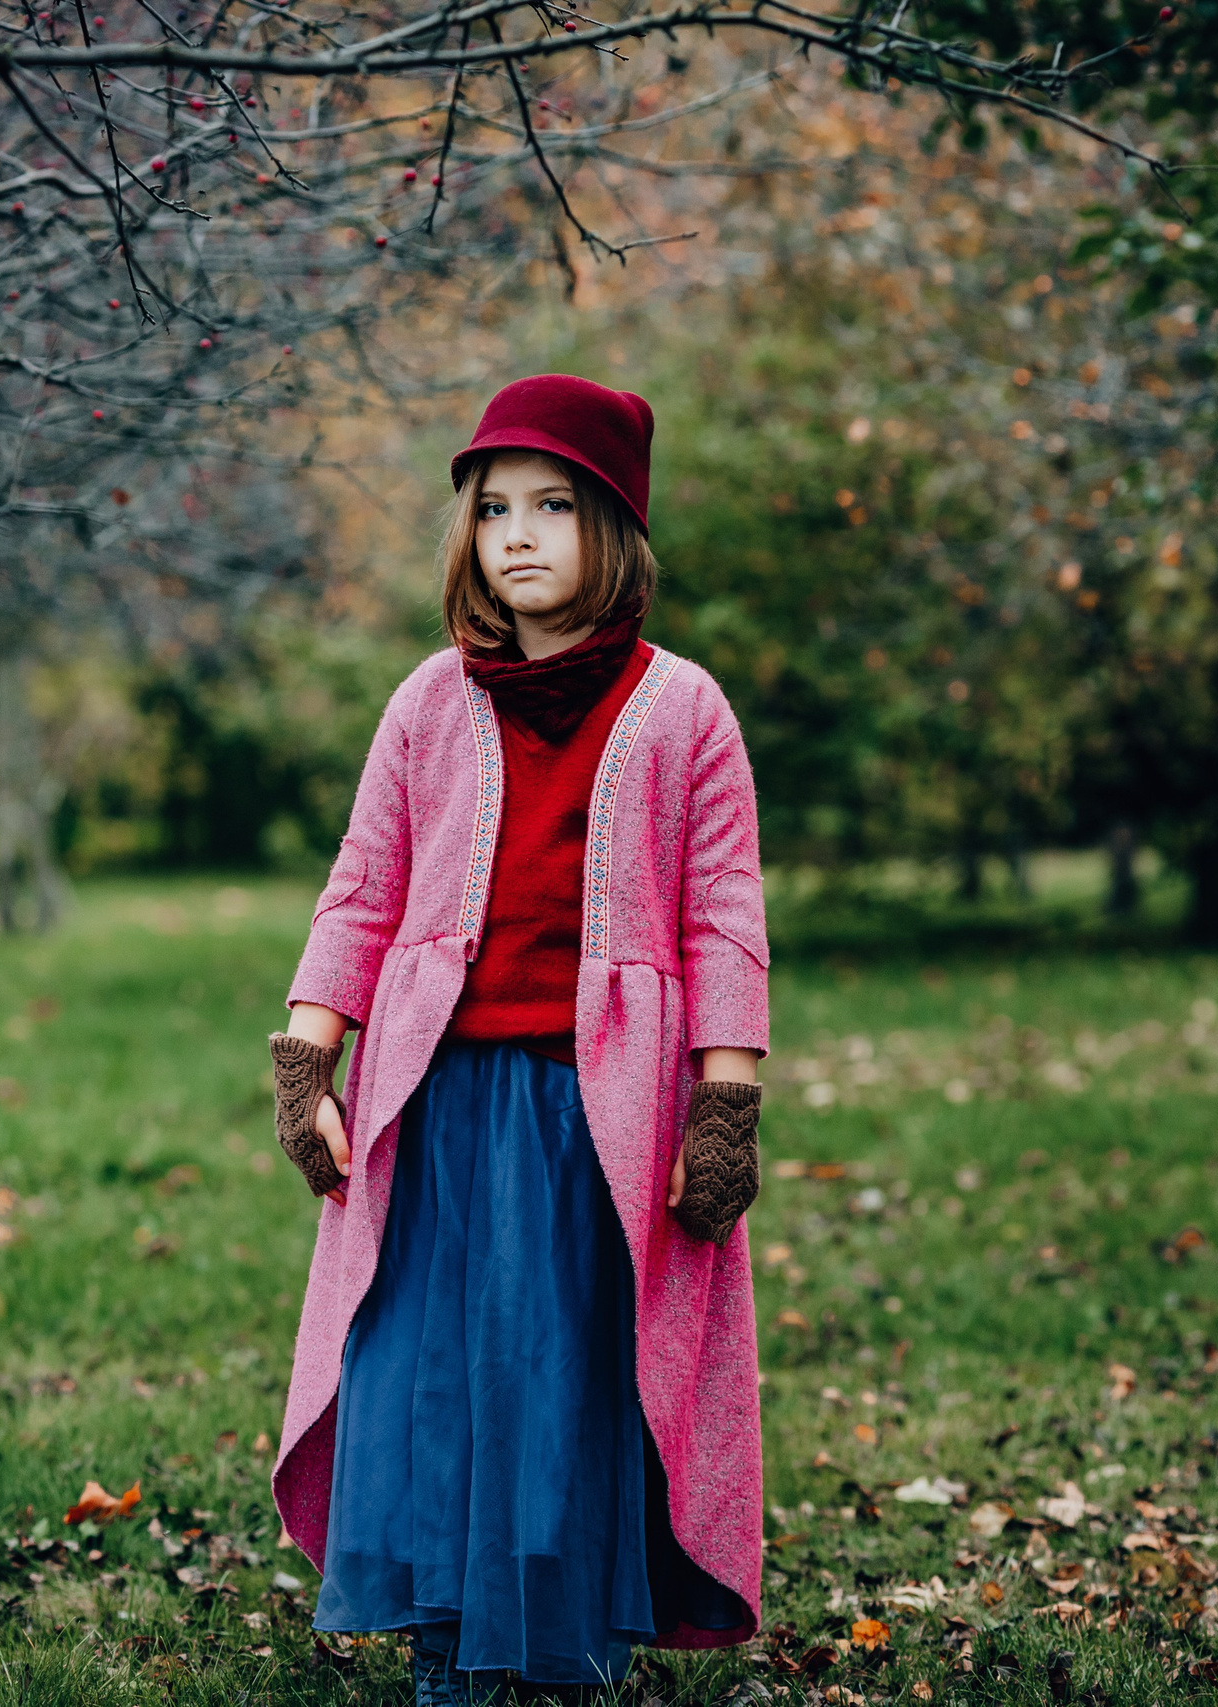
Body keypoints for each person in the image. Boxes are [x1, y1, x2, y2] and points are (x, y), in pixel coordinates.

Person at [265, 374, 772, 1704]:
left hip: (592, 1119)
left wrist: (725, 1103)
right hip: (436, 1108)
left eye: (555, 506)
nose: (521, 536)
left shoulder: (684, 710)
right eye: (495, 511)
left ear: (616, 526)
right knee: (435, 1373)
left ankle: (560, 1636)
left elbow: (724, 920)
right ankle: (450, 1637)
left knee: (560, 1376)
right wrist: (308, 1057)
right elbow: (363, 887)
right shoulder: (431, 702)